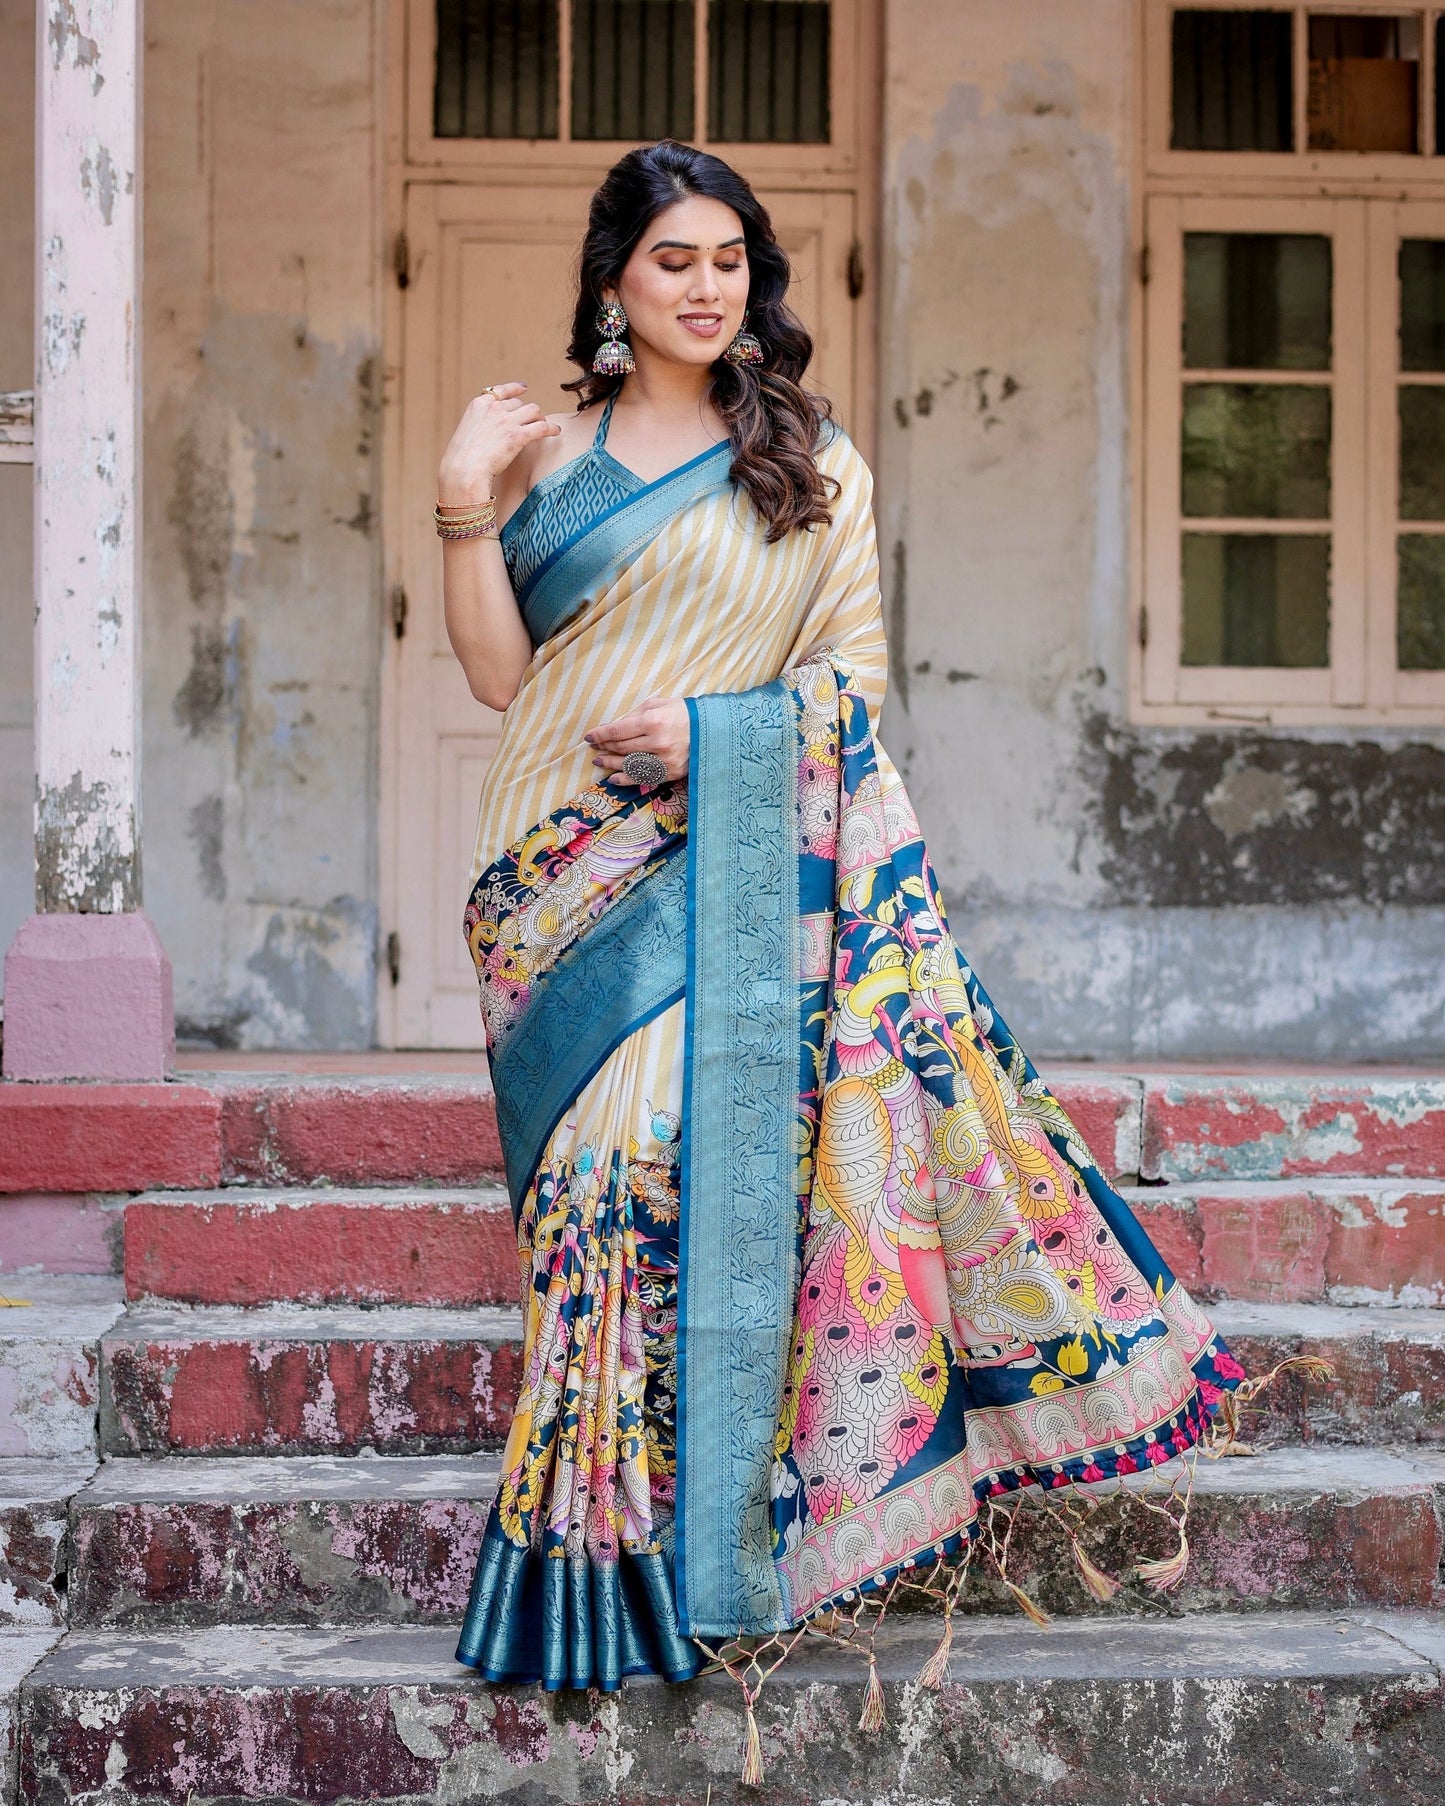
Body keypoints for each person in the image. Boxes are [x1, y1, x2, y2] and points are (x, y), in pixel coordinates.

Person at [440, 139, 1243, 1702]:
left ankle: (682, 1547)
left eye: (727, 259)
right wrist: (462, 499)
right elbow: (494, 676)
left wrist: (716, 736)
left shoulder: (809, 461)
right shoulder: (544, 455)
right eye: (670, 258)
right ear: (613, 279)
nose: (701, 284)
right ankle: (590, 1563)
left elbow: (850, 691)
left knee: (658, 1176)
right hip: (550, 875)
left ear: (754, 281)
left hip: (715, 855)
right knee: (583, 1194)